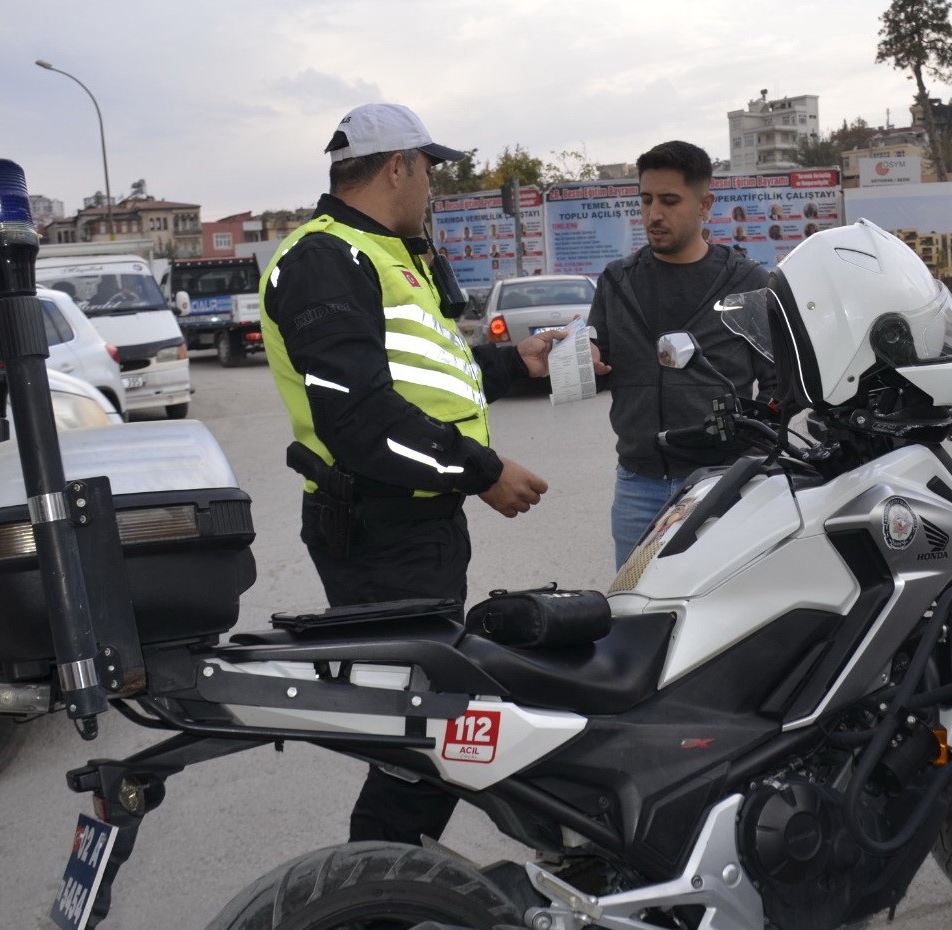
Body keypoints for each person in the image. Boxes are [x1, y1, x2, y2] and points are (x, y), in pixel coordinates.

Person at [259, 102, 598, 845]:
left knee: (425, 720)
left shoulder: (384, 254)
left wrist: (517, 364)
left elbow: (425, 380)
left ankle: (390, 882)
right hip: (381, 533)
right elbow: (358, 420)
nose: (434, 189)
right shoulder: (327, 258)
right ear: (396, 167)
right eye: (430, 171)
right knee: (422, 731)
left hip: (413, 527)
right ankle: (376, 892)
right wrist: (482, 472)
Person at [588, 141, 774, 568]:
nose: (654, 214)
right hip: (638, 484)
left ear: (704, 204)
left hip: (721, 486)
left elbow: (780, 380)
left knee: (722, 615)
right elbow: (599, 367)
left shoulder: (745, 282)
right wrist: (575, 363)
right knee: (633, 614)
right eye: (647, 200)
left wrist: (748, 444)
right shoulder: (618, 281)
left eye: (670, 201)